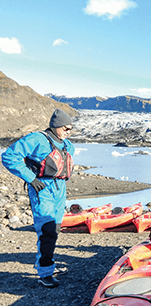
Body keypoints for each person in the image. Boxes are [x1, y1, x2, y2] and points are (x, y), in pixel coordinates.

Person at [1, 109, 75, 288]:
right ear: (56, 126)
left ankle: (45, 264)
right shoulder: (37, 139)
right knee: (47, 231)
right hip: (42, 188)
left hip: (59, 190)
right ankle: (45, 273)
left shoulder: (68, 145)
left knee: (55, 229)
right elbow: (9, 156)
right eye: (66, 128)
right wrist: (31, 178)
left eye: (70, 129)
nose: (68, 132)